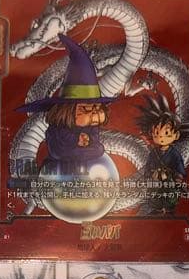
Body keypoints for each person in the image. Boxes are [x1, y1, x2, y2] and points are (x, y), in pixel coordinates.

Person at [18, 34, 118, 175]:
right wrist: (78, 142)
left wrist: (88, 143)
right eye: (85, 109)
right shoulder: (56, 131)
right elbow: (57, 151)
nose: (94, 113)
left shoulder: (92, 129)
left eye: (96, 108)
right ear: (67, 111)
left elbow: (97, 148)